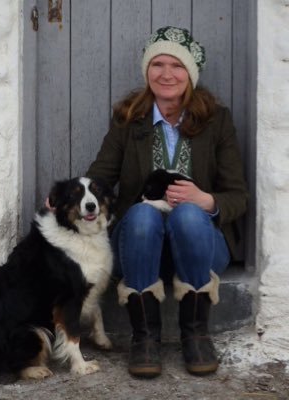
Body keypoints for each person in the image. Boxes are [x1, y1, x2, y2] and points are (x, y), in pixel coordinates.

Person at [86, 26, 248, 378]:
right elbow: (99, 177)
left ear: (190, 73)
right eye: (157, 64)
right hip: (139, 245)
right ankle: (145, 338)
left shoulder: (217, 121)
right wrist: (67, 198)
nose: (166, 74)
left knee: (189, 215)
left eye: (176, 65)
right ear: (147, 71)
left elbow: (238, 197)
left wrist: (205, 199)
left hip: (202, 244)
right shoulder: (129, 119)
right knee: (142, 215)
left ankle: (195, 334)